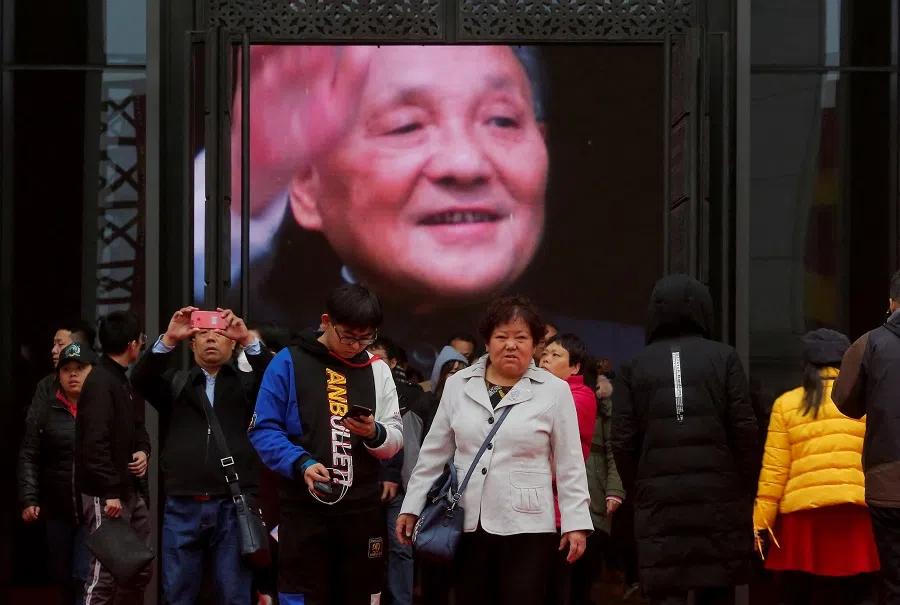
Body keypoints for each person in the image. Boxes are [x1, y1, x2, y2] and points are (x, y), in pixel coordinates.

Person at [397, 295, 593, 605]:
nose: (511, 345)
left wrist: (576, 522)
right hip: (466, 520)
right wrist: (411, 505)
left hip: (528, 526)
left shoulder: (555, 391)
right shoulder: (458, 385)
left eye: (521, 337)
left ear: (537, 344)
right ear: (487, 341)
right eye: (501, 336)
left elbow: (570, 463)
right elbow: (433, 455)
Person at [248, 284, 403, 605]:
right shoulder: (289, 362)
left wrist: (374, 433)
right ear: (326, 321)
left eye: (366, 337)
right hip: (304, 510)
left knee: (362, 594)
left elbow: (395, 440)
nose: (356, 345)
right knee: (303, 594)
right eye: (348, 336)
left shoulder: (377, 370)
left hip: (361, 509)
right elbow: (264, 429)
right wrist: (301, 463)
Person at [611, 275, 759, 605]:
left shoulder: (633, 366)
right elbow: (745, 431)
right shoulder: (725, 357)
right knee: (717, 587)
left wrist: (641, 489)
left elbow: (622, 440)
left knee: (665, 591)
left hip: (659, 502)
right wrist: (742, 487)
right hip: (719, 499)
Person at [130, 307, 272, 605]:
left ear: (231, 343)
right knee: (178, 594)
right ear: (191, 343)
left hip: (232, 505)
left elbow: (277, 377)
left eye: (219, 334)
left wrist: (248, 339)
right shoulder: (176, 383)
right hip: (182, 503)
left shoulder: (247, 386)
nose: (211, 339)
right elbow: (140, 379)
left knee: (234, 595)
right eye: (203, 333)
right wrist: (168, 338)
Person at [754, 329, 877, 604]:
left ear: (805, 364)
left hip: (802, 522)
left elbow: (774, 471)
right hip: (856, 519)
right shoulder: (867, 401)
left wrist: (760, 523)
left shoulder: (786, 405)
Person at [74, 311, 153, 604]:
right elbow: (93, 446)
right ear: (133, 344)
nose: (142, 344)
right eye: (141, 340)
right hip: (107, 495)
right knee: (103, 576)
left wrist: (144, 452)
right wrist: (109, 492)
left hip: (128, 490)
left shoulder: (119, 380)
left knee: (137, 569)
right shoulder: (100, 382)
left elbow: (138, 429)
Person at [832, 269, 900, 603]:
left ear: (892, 303)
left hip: (887, 484)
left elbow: (844, 401)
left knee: (893, 581)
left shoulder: (870, 343)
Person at [19, 343, 95, 605]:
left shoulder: (101, 408)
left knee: (83, 575)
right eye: (66, 369)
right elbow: (29, 454)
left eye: (79, 368)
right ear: (58, 375)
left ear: (92, 371)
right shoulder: (45, 410)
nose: (72, 374)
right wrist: (30, 499)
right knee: (61, 575)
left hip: (92, 508)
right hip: (56, 507)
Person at [539, 333, 599, 605]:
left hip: (557, 511)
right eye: (545, 353)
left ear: (575, 367)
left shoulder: (581, 396)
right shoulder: (538, 392)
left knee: (553, 591)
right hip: (532, 508)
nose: (546, 359)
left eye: (556, 355)